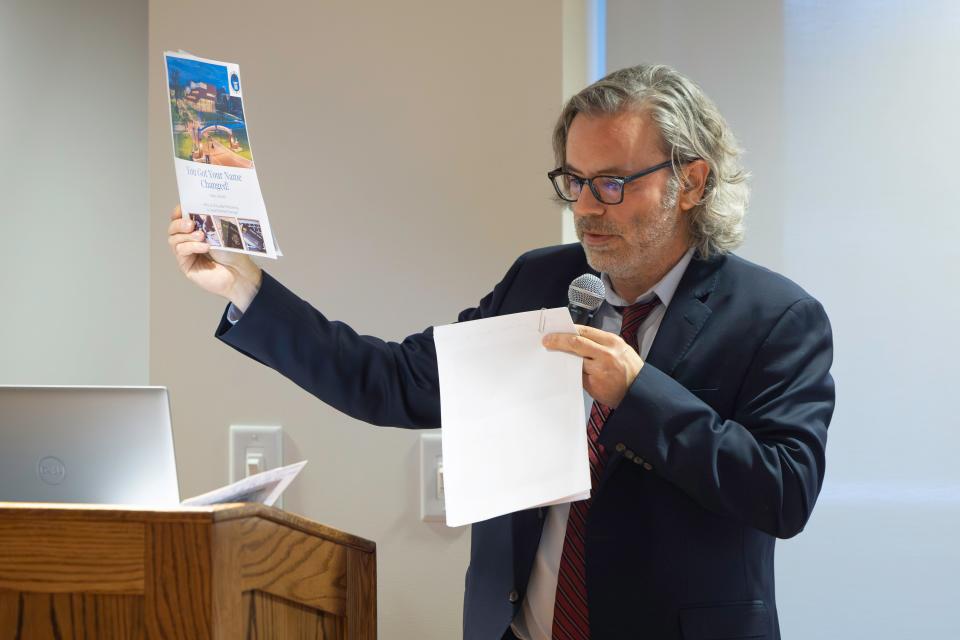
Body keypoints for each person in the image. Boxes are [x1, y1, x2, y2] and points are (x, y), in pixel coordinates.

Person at [168, 64, 834, 640]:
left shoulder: (776, 319)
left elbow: (783, 494)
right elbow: (391, 381)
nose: (585, 207)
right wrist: (246, 288)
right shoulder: (539, 281)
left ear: (690, 182)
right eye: (573, 180)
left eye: (612, 183)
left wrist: (641, 397)